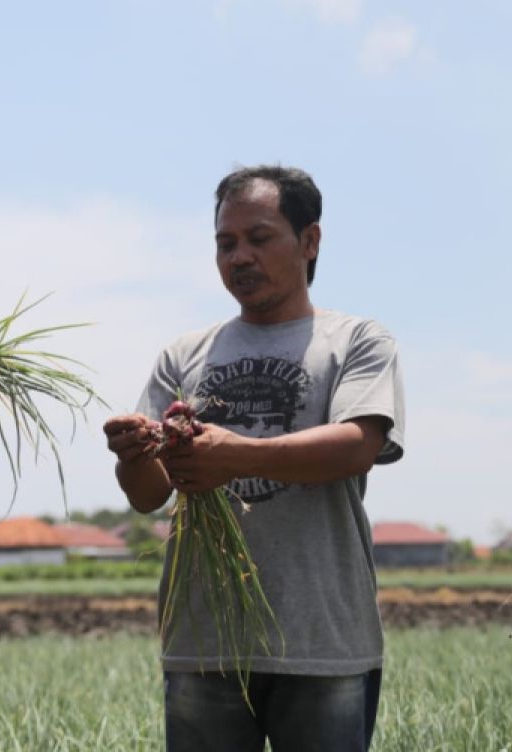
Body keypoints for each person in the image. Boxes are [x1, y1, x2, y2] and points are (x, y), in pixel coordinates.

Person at [104, 165, 405, 751]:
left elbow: (356, 446)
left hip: (322, 639)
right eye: (226, 243)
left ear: (310, 241)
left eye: (259, 238)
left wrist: (236, 455)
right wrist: (131, 452)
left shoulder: (356, 341)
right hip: (204, 642)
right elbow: (148, 494)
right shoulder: (184, 354)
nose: (239, 256)